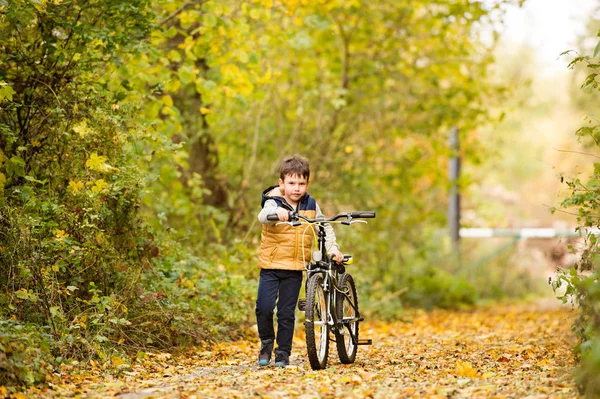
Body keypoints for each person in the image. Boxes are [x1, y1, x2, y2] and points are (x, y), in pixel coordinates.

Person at [255, 156, 343, 367]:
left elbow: (324, 226)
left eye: (301, 183)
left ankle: (283, 353)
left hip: (294, 269)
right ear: (281, 184)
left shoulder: (311, 204)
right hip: (271, 266)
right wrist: (277, 212)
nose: (296, 188)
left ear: (307, 184)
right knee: (264, 308)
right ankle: (267, 342)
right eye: (291, 183)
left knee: (286, 313)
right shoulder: (272, 201)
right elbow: (263, 215)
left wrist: (333, 248)